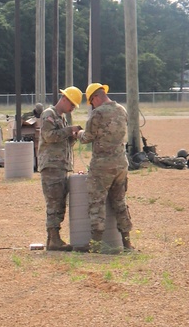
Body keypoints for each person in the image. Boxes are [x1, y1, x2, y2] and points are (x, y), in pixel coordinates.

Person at [80, 82, 133, 251]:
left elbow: (87, 137)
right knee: (120, 202)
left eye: (91, 102)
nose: (91, 106)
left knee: (97, 202)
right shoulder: (121, 110)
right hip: (121, 164)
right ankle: (127, 243)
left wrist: (78, 133)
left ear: (95, 97)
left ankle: (95, 244)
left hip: (102, 166)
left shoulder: (98, 114)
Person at [36, 87, 83, 250]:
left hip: (60, 165)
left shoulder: (61, 119)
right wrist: (69, 130)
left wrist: (72, 136)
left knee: (60, 202)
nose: (72, 108)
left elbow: (62, 141)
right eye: (72, 105)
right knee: (54, 202)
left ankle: (54, 239)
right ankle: (53, 239)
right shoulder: (49, 115)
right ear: (65, 99)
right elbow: (49, 137)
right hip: (51, 165)